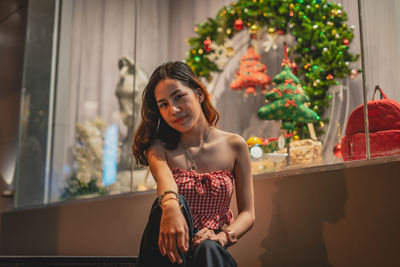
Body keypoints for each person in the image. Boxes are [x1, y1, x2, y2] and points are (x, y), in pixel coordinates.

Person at [133, 61, 255, 266]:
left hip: (209, 251)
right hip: (166, 253)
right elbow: (165, 182)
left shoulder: (235, 145)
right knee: (170, 203)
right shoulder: (158, 148)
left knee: (208, 249)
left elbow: (248, 214)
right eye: (163, 104)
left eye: (179, 97)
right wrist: (171, 205)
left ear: (199, 94)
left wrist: (222, 237)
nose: (173, 109)